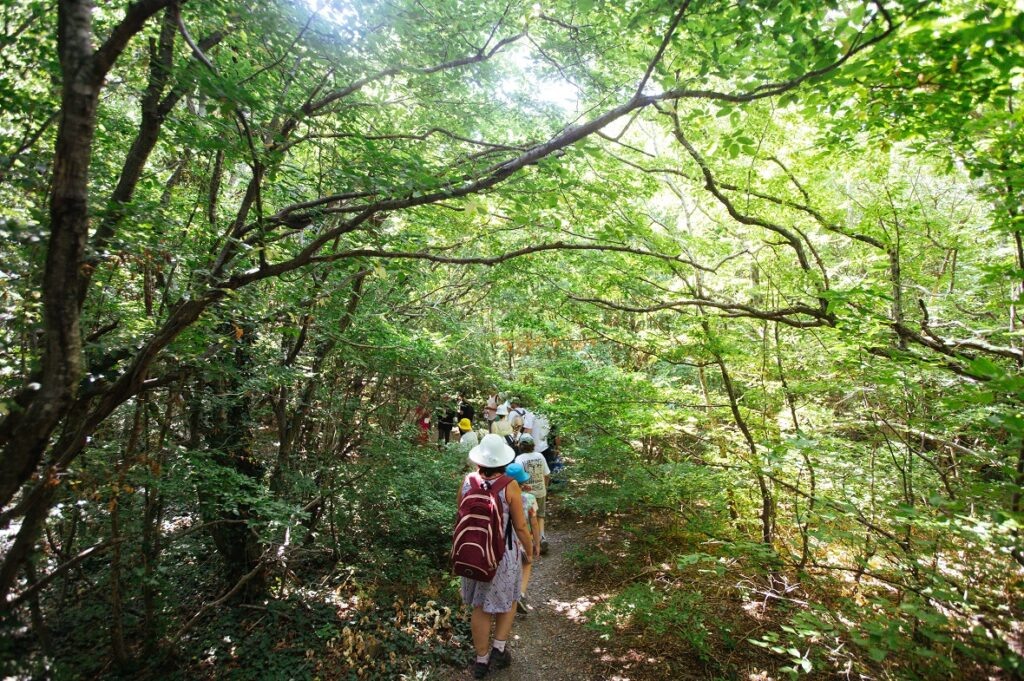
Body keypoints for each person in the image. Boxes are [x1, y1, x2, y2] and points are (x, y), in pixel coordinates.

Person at [459, 434, 534, 678]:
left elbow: (460, 515)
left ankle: (481, 662)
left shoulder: (468, 481)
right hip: (503, 554)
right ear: (503, 460)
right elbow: (520, 526)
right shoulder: (510, 485)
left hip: (473, 553)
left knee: (480, 606)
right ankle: (499, 649)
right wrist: (530, 549)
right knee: (509, 599)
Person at [505, 462, 541, 615]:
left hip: (507, 541)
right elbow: (534, 523)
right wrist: (537, 544)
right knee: (527, 564)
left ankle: (506, 594)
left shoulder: (504, 496)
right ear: (523, 481)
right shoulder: (530, 498)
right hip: (525, 539)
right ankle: (520, 593)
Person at [514, 434, 551, 554]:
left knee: (529, 518)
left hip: (527, 494)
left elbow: (517, 479)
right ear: (533, 445)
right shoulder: (540, 456)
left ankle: (530, 541)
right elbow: (547, 474)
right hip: (540, 490)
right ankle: (542, 538)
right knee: (540, 515)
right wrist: (545, 487)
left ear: (520, 446)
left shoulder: (519, 459)